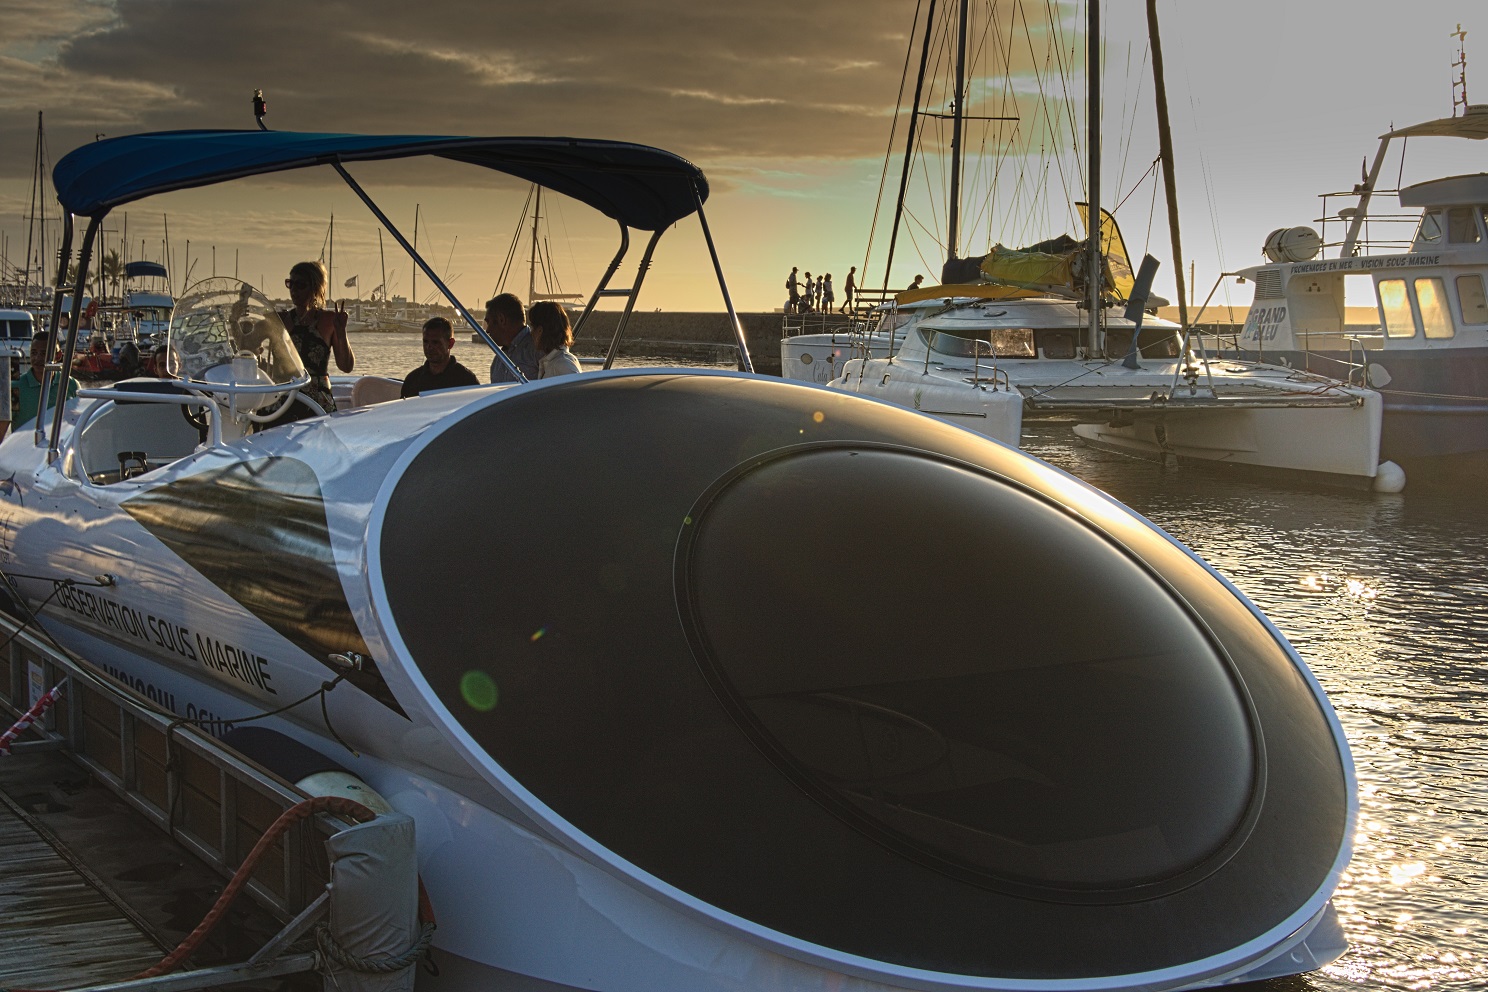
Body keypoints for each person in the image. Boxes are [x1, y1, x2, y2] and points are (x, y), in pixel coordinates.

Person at [280, 260, 354, 414]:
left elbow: (346, 367)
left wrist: (341, 332)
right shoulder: (281, 320)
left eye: (300, 285)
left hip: (316, 400)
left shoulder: (329, 320)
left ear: (314, 288)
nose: (294, 290)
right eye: (290, 284)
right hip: (285, 394)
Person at [401, 317, 481, 397]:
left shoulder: (466, 380)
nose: (429, 347)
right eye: (425, 341)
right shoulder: (413, 380)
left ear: (450, 344)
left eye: (435, 342)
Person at [14, 332, 79, 428]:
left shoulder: (71, 385)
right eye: (34, 353)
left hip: (60, 442)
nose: (37, 358)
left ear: (58, 356)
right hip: (25, 443)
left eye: (44, 353)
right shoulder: (16, 386)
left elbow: (78, 423)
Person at [485, 292, 539, 383]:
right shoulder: (497, 361)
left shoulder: (539, 349)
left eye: (488, 322)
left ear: (501, 319)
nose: (487, 330)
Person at [527, 301, 583, 379]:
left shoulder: (563, 364)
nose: (531, 333)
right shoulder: (554, 361)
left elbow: (577, 389)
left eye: (533, 327)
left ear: (540, 330)